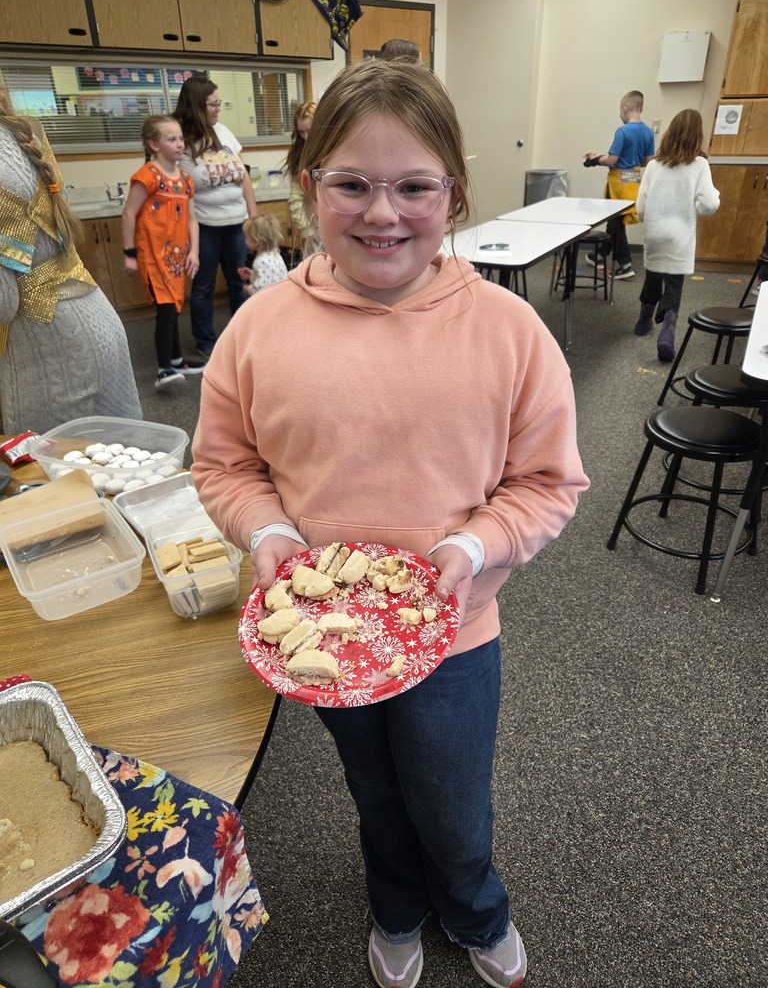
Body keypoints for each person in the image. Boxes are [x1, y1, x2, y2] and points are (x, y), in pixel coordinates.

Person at [191, 59, 588, 988]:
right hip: (326, 635)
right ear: (310, 186)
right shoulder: (258, 330)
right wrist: (266, 532)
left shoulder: (508, 331)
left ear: (454, 193)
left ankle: (475, 907)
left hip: (456, 633)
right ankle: (397, 904)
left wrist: (474, 544)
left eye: (414, 187)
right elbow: (224, 465)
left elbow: (547, 481)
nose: (383, 214)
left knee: (453, 799)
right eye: (352, 186)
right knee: (373, 790)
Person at [0, 85, 141, 434]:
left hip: (51, 350)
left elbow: (4, 301)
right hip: (94, 318)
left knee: (57, 464)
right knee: (126, 449)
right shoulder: (23, 131)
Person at [174, 75, 258, 359]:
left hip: (237, 224)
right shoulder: (182, 142)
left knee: (240, 282)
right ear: (197, 106)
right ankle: (206, 342)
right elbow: (178, 191)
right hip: (205, 228)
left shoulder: (224, 132)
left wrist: (253, 216)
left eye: (219, 103)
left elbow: (243, 176)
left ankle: (242, 338)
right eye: (213, 104)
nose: (218, 108)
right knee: (203, 287)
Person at [122, 115, 202, 392]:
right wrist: (129, 253)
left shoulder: (185, 180)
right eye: (172, 139)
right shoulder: (147, 176)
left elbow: (192, 220)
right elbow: (129, 214)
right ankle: (163, 369)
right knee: (166, 309)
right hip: (153, 257)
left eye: (180, 138)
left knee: (175, 306)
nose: (180, 144)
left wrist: (195, 252)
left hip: (176, 258)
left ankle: (177, 360)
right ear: (154, 145)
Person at [634, 109, 720, 362]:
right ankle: (667, 333)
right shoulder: (699, 165)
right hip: (680, 236)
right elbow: (710, 204)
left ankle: (643, 321)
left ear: (670, 133)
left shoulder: (653, 166)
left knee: (652, 278)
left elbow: (640, 208)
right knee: (673, 284)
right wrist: (696, 208)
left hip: (655, 232)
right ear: (697, 136)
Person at [583, 89, 655, 279]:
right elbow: (648, 161)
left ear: (624, 108)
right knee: (614, 221)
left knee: (616, 223)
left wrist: (594, 160)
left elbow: (612, 160)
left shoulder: (622, 131)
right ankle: (601, 254)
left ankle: (625, 264)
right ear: (641, 109)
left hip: (617, 184)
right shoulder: (648, 132)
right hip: (634, 183)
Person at [283, 101, 323, 259]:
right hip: (312, 226)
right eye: (301, 132)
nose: (306, 137)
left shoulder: (333, 148)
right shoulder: (298, 153)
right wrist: (306, 229)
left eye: (309, 131)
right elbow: (296, 197)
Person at [238, 214, 288, 295]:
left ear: (256, 240)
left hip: (270, 299)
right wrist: (252, 275)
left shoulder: (261, 261)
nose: (244, 240)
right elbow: (269, 277)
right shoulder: (276, 255)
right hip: (281, 296)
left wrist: (248, 289)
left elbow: (260, 290)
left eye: (246, 237)